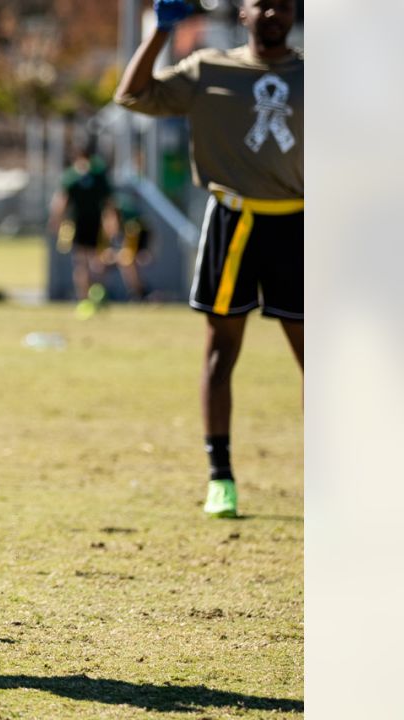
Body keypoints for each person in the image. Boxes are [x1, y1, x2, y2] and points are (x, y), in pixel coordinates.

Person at [115, 0, 302, 517]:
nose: (275, 13)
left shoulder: (317, 75)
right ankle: (221, 477)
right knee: (221, 355)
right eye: (263, 4)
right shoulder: (209, 69)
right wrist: (161, 31)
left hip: (300, 224)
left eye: (284, 5)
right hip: (232, 223)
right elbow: (131, 94)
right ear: (242, 12)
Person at [47, 147, 120, 315]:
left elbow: (61, 201)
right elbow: (110, 203)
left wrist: (56, 220)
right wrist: (113, 223)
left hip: (81, 223)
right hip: (94, 224)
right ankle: (96, 295)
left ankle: (85, 299)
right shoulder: (99, 176)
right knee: (97, 262)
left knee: (83, 263)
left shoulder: (72, 176)